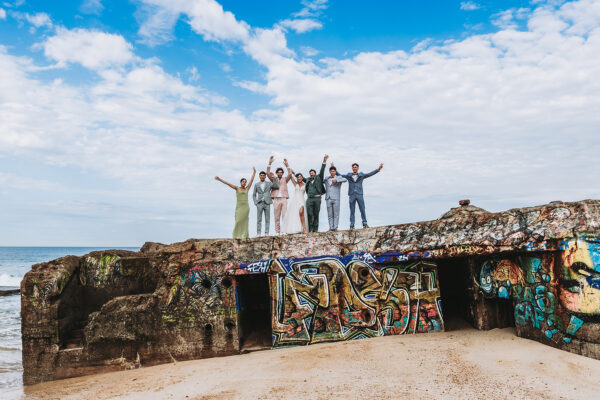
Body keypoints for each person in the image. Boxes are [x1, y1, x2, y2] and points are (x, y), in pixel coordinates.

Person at [214, 167, 256, 239]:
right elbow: (228, 183)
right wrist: (219, 179)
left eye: (245, 182)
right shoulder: (237, 188)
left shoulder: (247, 189)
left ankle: (244, 235)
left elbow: (251, 181)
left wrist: (254, 173)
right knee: (238, 221)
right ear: (240, 182)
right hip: (239, 207)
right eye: (243, 181)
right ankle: (237, 235)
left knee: (245, 221)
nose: (244, 183)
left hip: (246, 207)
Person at [340, 162, 383, 229]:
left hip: (359, 194)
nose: (354, 168)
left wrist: (378, 169)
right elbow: (340, 175)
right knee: (352, 210)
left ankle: (365, 223)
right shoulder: (348, 175)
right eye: (353, 167)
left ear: (358, 168)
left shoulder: (361, 175)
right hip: (352, 194)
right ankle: (352, 225)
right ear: (352, 168)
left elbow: (369, 174)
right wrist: (334, 170)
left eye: (356, 167)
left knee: (362, 209)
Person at [281, 159, 308, 234]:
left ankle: (304, 228)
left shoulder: (305, 185)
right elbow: (290, 175)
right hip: (295, 200)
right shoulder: (295, 184)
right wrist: (287, 165)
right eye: (298, 177)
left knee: (301, 212)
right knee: (294, 214)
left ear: (302, 178)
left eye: (300, 177)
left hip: (301, 200)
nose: (299, 178)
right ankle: (297, 228)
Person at [266, 156, 292, 235]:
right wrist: (269, 163)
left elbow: (290, 174)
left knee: (284, 215)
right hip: (276, 199)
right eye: (278, 172)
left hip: (284, 198)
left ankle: (284, 230)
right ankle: (277, 231)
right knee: (276, 216)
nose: (280, 173)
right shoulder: (274, 179)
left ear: (282, 173)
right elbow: (267, 173)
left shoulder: (285, 179)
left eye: (281, 172)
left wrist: (287, 165)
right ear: (277, 173)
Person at [305, 154, 328, 232]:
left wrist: (324, 161)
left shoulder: (319, 178)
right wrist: (294, 174)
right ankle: (310, 229)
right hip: (309, 199)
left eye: (313, 172)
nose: (311, 173)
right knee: (309, 214)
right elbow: (300, 179)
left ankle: (315, 229)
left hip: (317, 198)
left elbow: (322, 170)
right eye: (310, 172)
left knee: (316, 214)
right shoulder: (307, 180)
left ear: (315, 173)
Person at [253, 171, 278, 236]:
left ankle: (266, 233)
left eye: (263, 175)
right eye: (261, 175)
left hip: (267, 202)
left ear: (265, 176)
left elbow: (276, 186)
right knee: (259, 219)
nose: (262, 176)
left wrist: (274, 178)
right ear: (259, 176)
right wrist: (256, 202)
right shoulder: (256, 184)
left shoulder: (269, 183)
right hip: (259, 203)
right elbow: (254, 195)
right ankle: (258, 233)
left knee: (267, 219)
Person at [324, 163, 347, 231]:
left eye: (334, 171)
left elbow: (345, 179)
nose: (332, 172)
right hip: (328, 198)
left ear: (335, 172)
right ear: (330, 172)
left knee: (336, 214)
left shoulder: (338, 178)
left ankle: (335, 227)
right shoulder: (326, 178)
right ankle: (331, 227)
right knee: (330, 214)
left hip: (336, 198)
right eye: (331, 171)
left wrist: (336, 180)